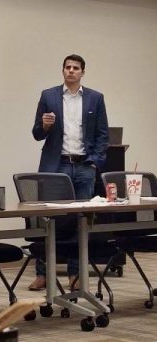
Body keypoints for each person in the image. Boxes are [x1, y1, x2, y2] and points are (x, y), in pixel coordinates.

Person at [29, 54, 108, 291]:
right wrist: (44, 126)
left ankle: (75, 274)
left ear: (83, 72)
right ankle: (43, 273)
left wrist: (94, 162)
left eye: (75, 68)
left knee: (79, 221)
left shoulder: (95, 98)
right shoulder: (49, 96)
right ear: (62, 71)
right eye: (67, 67)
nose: (71, 71)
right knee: (49, 220)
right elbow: (36, 133)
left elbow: (103, 135)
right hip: (56, 166)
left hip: (84, 166)